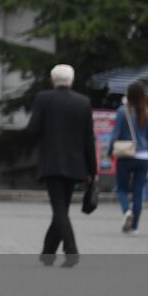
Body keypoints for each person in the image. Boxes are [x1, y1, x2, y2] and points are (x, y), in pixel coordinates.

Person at [24, 63, 98, 265]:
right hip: (76, 165)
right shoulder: (83, 102)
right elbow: (88, 139)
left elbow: (32, 129)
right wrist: (93, 170)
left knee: (59, 209)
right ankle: (48, 253)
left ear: (52, 80)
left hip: (52, 162)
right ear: (72, 81)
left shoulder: (43, 99)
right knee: (62, 208)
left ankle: (71, 250)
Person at [111, 81, 148, 235]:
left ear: (128, 96)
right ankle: (135, 227)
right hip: (143, 156)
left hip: (126, 154)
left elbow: (115, 134)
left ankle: (126, 211)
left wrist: (111, 149)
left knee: (122, 189)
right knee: (138, 192)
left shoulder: (122, 112)